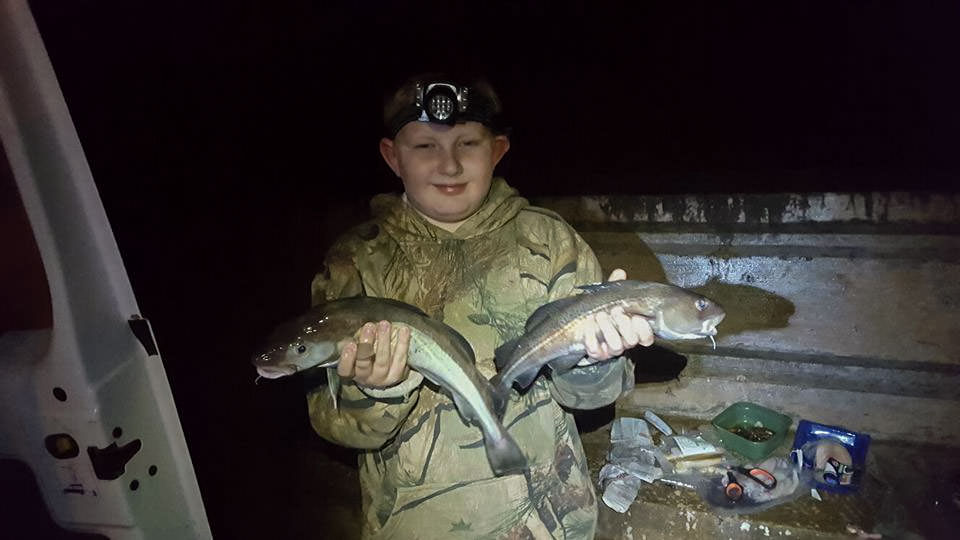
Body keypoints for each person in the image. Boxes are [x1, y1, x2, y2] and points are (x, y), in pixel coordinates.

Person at [307, 75, 654, 539]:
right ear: (393, 155)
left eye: (467, 142)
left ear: (498, 150)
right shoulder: (355, 264)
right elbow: (334, 423)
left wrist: (593, 363)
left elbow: (591, 399)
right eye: (425, 146)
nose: (448, 165)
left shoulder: (551, 243)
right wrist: (376, 392)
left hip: (553, 523)